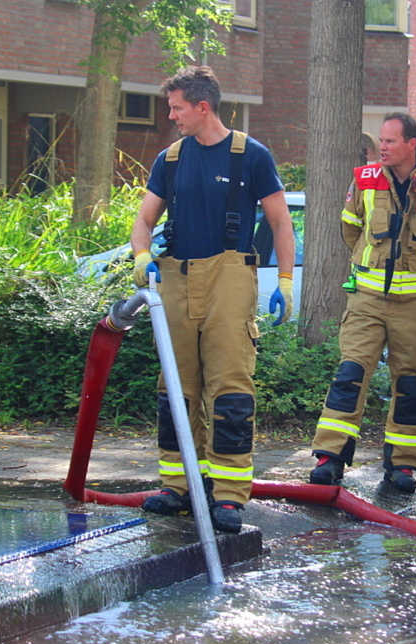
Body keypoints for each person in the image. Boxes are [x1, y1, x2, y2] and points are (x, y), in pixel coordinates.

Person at [130, 66, 295, 533]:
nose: (171, 116)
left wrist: (283, 280)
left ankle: (227, 496)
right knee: (175, 390)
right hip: (176, 279)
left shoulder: (251, 156)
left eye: (177, 107)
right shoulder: (171, 159)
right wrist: (142, 254)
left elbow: (281, 223)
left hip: (230, 278)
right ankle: (177, 486)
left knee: (230, 390)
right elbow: (143, 220)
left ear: (203, 107)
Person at [308, 112, 416, 493]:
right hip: (367, 300)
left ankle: (402, 465)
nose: (383, 146)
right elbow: (350, 229)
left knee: (411, 383)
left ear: (412, 144)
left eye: (391, 140)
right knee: (350, 374)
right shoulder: (363, 180)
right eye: (381, 140)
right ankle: (330, 458)